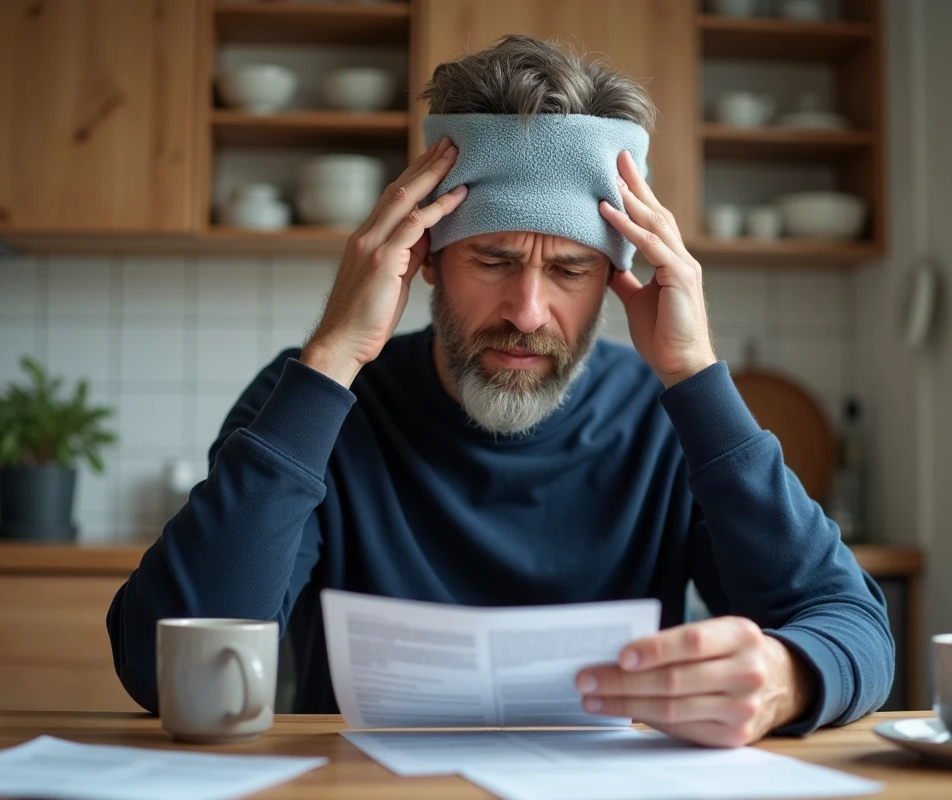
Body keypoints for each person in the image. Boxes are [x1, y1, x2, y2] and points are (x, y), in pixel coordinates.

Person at [108, 34, 893, 748]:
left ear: (618, 278)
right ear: (424, 259)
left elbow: (857, 631)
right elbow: (162, 665)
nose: (526, 311)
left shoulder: (669, 420)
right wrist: (333, 352)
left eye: (570, 270)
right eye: (491, 260)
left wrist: (786, 677)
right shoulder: (315, 402)